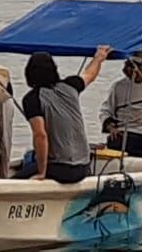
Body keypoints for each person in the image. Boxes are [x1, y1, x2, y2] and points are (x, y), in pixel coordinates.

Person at [15, 45, 112, 183]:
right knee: (31, 157)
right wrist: (98, 58)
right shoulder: (71, 86)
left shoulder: (32, 99)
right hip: (84, 166)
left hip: (62, 168)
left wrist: (42, 172)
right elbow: (89, 74)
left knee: (17, 177)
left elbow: (40, 135)